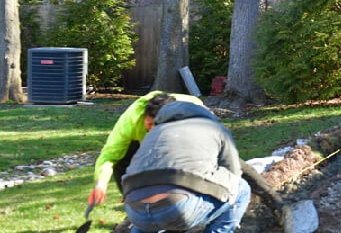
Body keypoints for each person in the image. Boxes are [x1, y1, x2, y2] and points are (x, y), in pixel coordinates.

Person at [88, 92, 288, 222]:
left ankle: (275, 201)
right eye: (148, 126)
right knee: (126, 163)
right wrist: (101, 184)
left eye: (155, 127)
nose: (152, 131)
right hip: (138, 150)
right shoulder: (131, 122)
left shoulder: (196, 114)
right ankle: (136, 209)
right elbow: (109, 156)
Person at [121, 97, 250, 233]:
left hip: (135, 211)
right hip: (177, 208)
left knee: (147, 216)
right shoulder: (215, 128)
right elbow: (233, 174)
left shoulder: (154, 133)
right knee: (242, 188)